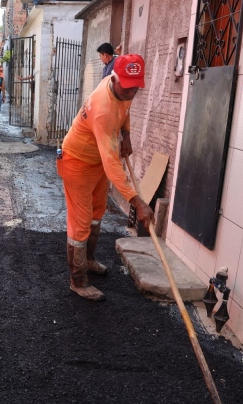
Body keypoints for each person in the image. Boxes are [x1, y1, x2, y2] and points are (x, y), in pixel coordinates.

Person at [57, 54, 154, 302]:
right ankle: (77, 280)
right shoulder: (103, 111)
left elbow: (126, 109)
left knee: (96, 213)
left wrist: (127, 134)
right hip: (76, 160)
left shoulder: (122, 91)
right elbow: (113, 166)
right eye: (129, 86)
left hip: (96, 160)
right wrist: (137, 201)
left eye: (137, 86)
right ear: (115, 77)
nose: (133, 91)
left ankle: (88, 260)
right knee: (80, 222)